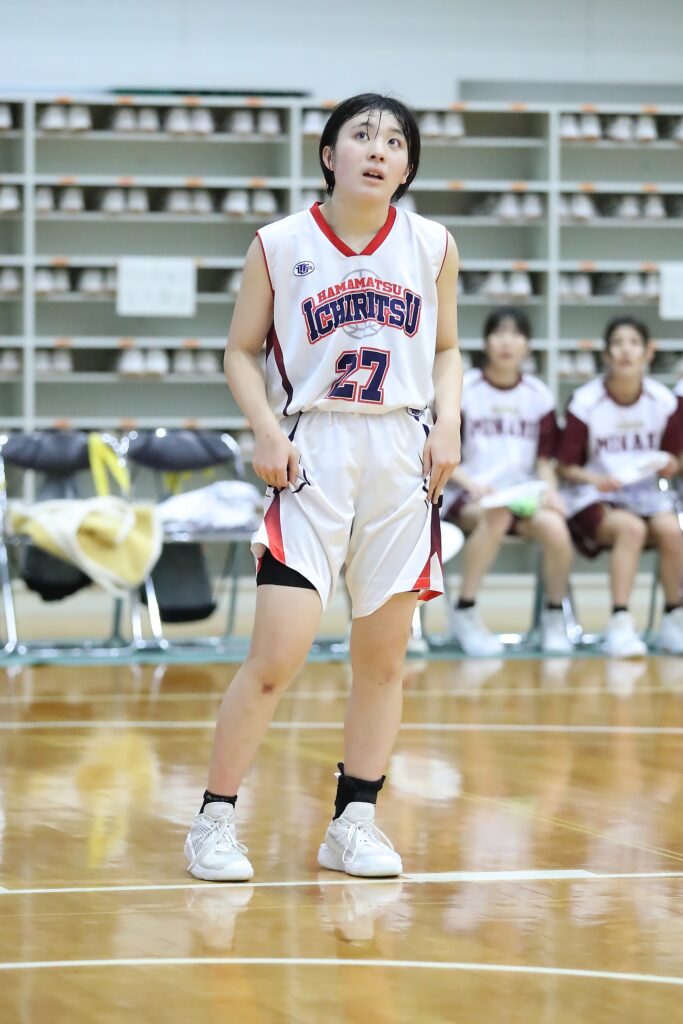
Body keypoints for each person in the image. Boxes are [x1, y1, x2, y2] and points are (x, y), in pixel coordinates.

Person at [184, 93, 462, 881]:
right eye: (361, 135)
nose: (378, 149)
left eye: (394, 141)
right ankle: (213, 820)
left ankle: (354, 822)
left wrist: (448, 422)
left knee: (383, 660)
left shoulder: (433, 244)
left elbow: (447, 349)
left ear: (407, 168)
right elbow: (239, 351)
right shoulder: (278, 243)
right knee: (276, 656)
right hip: (313, 450)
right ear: (328, 154)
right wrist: (265, 429)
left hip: (400, 452)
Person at [442, 307, 573, 655]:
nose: (506, 342)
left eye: (516, 334)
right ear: (485, 342)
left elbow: (544, 461)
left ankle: (553, 615)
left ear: (527, 345)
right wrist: (469, 483)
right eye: (499, 333)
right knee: (496, 516)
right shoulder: (464, 388)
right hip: (468, 495)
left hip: (521, 496)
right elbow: (441, 448)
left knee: (557, 529)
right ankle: (465, 610)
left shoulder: (538, 395)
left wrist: (551, 492)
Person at [556, 316, 683, 657]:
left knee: (672, 530)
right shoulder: (586, 401)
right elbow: (565, 465)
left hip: (646, 495)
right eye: (618, 343)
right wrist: (596, 479)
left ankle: (674, 619)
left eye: (634, 343)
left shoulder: (664, 401)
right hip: (595, 496)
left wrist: (672, 464)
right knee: (630, 529)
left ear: (648, 353)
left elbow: (675, 456)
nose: (626, 350)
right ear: (606, 354)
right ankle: (620, 622)